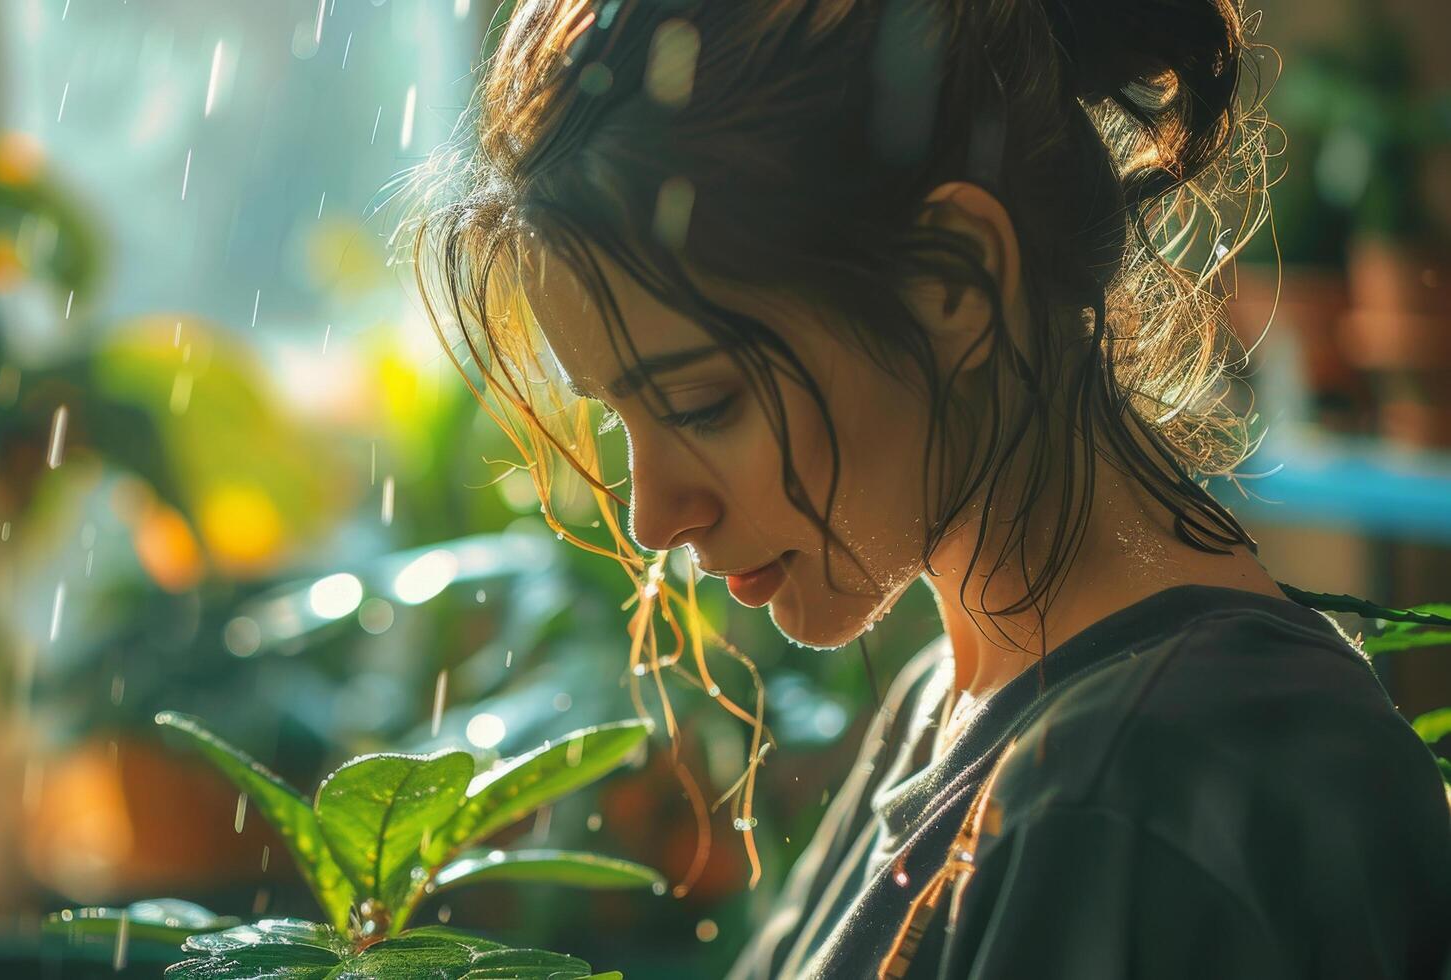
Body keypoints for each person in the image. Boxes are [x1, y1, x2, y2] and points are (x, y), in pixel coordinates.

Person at [390, 0, 1451, 976]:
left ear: (952, 281)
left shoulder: (1127, 799)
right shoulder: (967, 699)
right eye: (620, 417)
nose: (654, 512)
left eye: (706, 403)